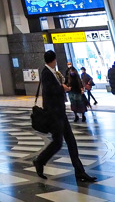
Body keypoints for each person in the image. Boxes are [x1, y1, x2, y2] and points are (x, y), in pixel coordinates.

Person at [34, 50, 97, 183]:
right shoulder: (46, 73)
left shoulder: (52, 72)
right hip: (54, 113)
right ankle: (39, 161)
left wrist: (62, 88)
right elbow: (49, 91)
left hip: (60, 112)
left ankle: (79, 171)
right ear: (54, 60)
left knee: (70, 141)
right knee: (58, 142)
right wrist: (62, 88)